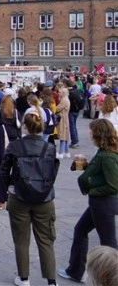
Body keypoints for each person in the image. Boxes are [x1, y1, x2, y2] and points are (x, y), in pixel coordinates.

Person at [1, 111, 59, 286]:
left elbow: (4, 171)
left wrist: (7, 188)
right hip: (45, 198)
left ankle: (24, 277)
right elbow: (53, 172)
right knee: (46, 240)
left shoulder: (14, 146)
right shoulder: (49, 147)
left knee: (21, 238)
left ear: (24, 126)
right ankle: (51, 280)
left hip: (19, 195)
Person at [58, 119, 118, 284]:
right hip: (98, 204)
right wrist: (85, 166)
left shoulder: (107, 156)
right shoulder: (103, 152)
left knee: (109, 243)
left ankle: (112, 277)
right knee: (80, 230)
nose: (89, 133)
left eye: (91, 130)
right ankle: (75, 270)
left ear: (98, 134)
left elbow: (113, 185)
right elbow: (99, 172)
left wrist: (92, 190)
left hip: (103, 204)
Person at [56, 87, 71, 158]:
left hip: (62, 119)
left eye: (60, 92)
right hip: (65, 118)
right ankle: (66, 151)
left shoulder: (64, 101)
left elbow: (57, 108)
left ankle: (61, 152)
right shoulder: (66, 99)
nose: (59, 94)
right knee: (65, 135)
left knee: (62, 135)